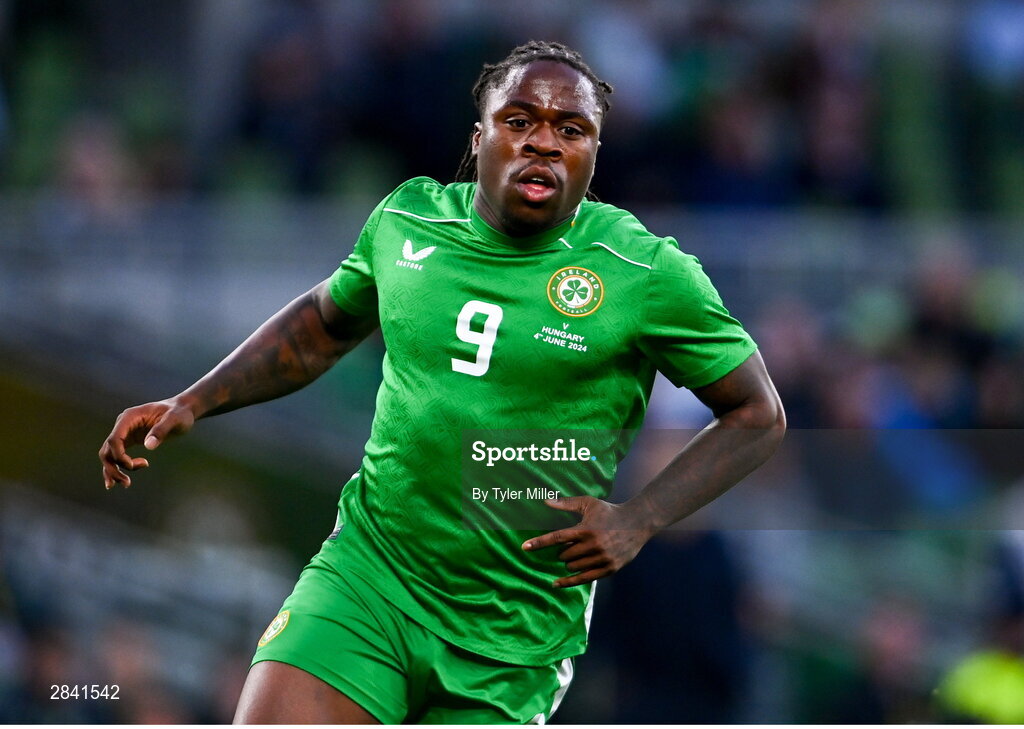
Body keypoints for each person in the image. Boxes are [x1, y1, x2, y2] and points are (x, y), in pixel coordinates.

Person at [99, 41, 785, 724]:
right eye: (519, 120)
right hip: (370, 577)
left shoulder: (643, 270)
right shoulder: (408, 220)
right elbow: (319, 327)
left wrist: (640, 519)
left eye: (570, 129)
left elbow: (757, 413)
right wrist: (194, 399)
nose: (543, 142)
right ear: (480, 135)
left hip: (511, 636)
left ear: (594, 152)